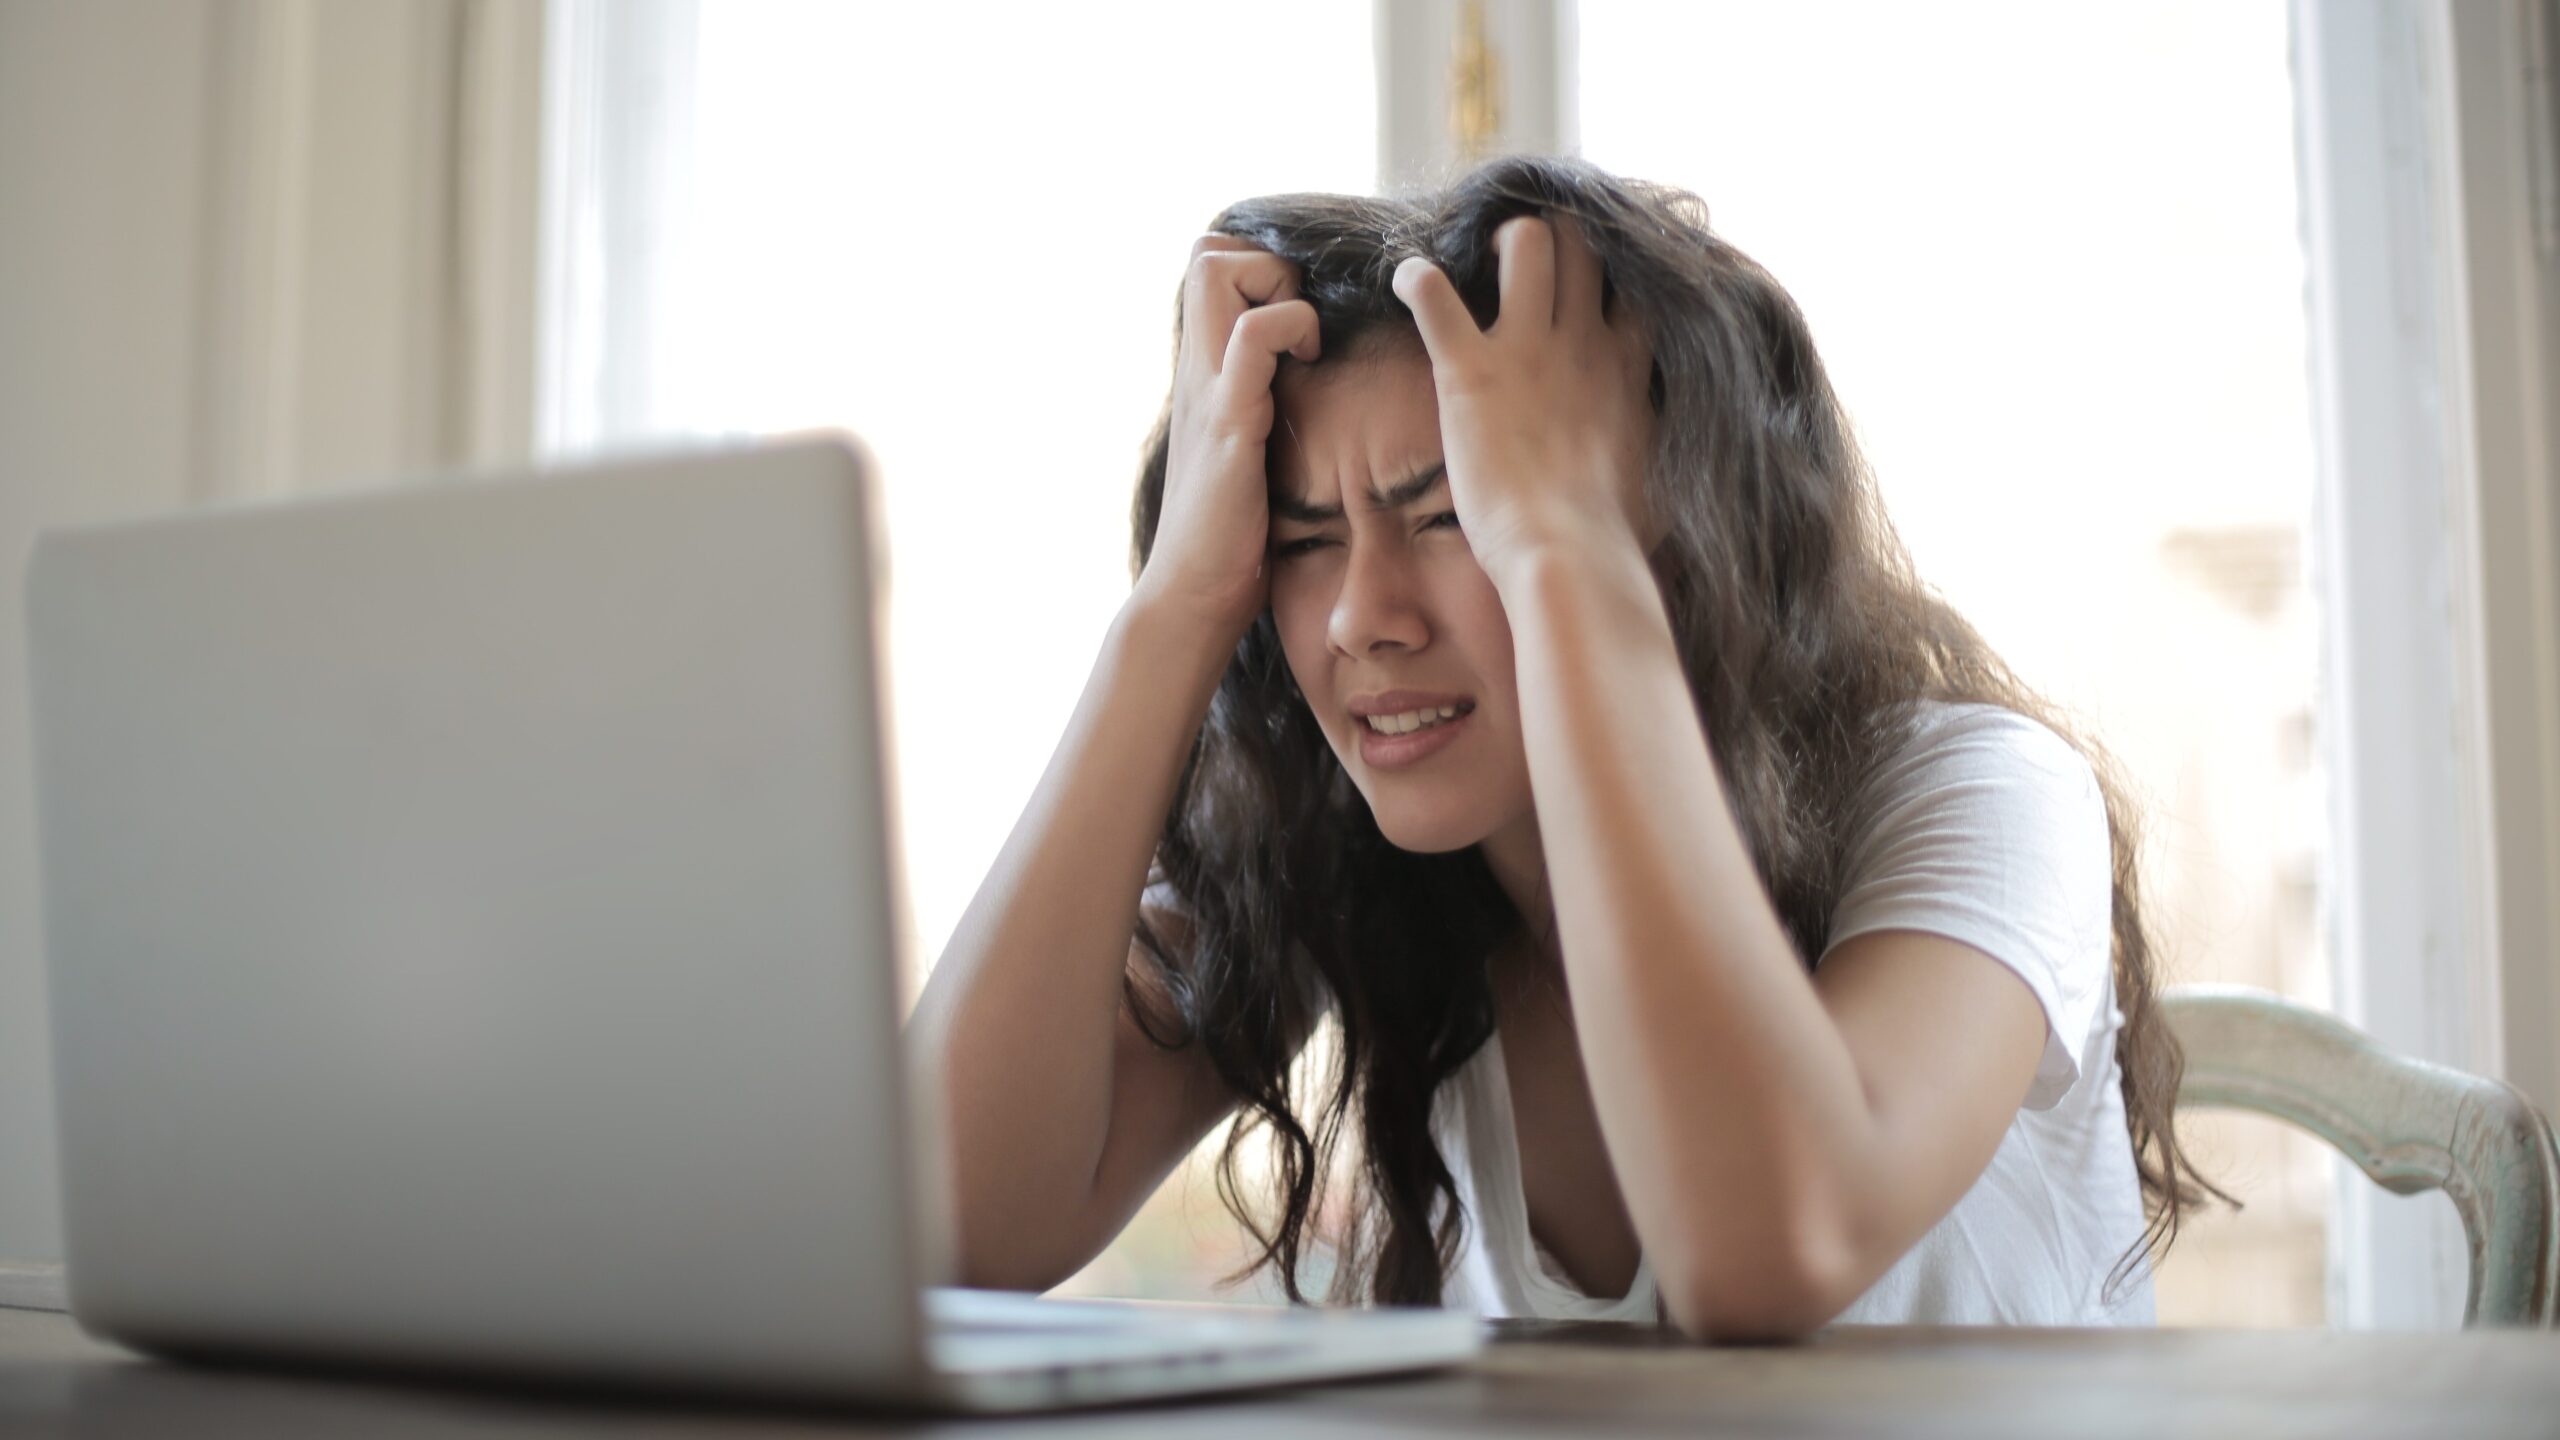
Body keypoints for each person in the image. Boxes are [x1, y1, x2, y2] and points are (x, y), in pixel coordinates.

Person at [905, 154, 2219, 1339]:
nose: (1363, 617)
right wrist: (1174, 607)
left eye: (1458, 515)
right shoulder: (1361, 858)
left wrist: (1566, 557)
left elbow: (1768, 1253)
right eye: (1301, 541)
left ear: (1673, 526)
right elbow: (946, 1227)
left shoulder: (1981, 793)